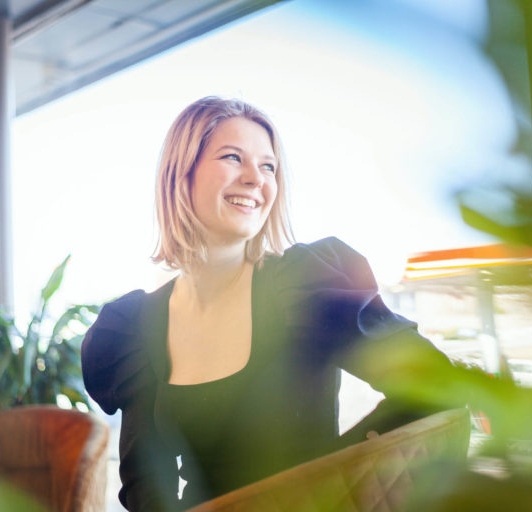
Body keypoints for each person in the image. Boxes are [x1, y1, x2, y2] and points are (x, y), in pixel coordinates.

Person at [81, 97, 442, 511]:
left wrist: (327, 485)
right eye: (233, 157)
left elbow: (434, 389)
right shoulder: (134, 326)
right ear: (181, 174)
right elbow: (146, 487)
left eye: (268, 166)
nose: (256, 179)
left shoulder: (305, 285)